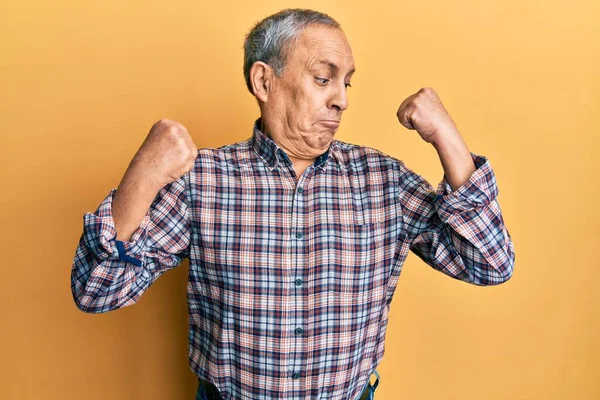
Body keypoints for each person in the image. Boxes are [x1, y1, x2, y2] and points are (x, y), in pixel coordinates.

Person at [71, 8, 515, 400]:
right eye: (324, 78)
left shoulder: (384, 180)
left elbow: (490, 263)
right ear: (264, 80)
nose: (341, 98)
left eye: (346, 82)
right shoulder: (202, 182)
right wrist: (143, 176)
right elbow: (96, 290)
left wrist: (446, 137)